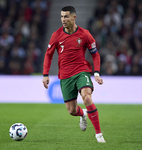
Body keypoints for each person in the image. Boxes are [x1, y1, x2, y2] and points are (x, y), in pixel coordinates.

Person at [42, 6, 106, 143]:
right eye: (61, 16)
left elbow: (95, 54)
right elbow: (48, 55)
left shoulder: (85, 34)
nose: (63, 19)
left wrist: (96, 73)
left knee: (87, 98)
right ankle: (83, 114)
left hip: (82, 71)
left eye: (66, 16)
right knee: (71, 111)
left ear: (73, 17)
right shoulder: (56, 35)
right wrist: (45, 74)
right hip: (65, 76)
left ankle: (99, 134)